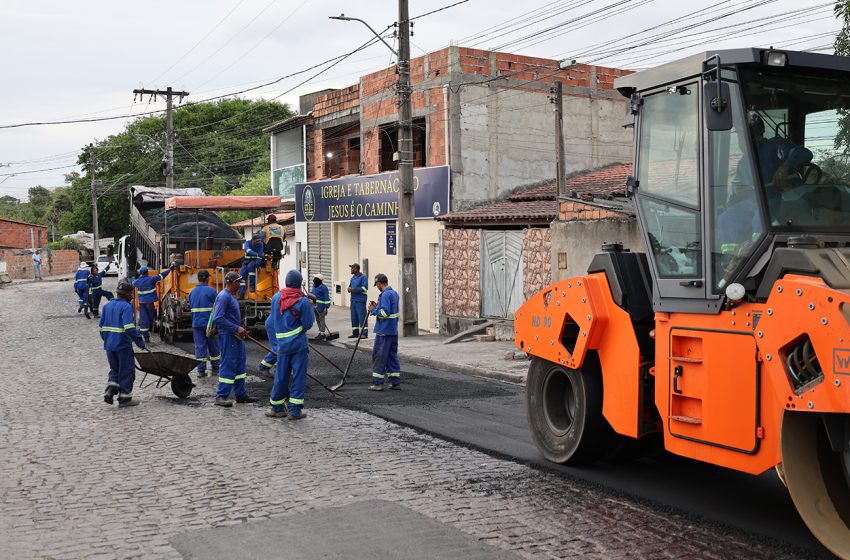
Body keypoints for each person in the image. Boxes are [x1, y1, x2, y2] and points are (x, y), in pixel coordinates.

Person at [266, 269, 314, 419]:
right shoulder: (303, 301)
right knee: (298, 377)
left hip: (282, 346)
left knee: (281, 376)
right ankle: (294, 411)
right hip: (298, 345)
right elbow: (308, 324)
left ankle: (276, 408)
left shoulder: (276, 298)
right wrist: (310, 308)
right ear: (299, 284)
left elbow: (272, 320)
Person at [213, 271, 259, 407]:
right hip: (228, 336)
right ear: (232, 282)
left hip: (236, 336)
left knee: (239, 364)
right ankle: (221, 396)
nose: (240, 284)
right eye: (238, 282)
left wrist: (239, 329)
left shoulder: (232, 296)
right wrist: (236, 328)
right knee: (228, 364)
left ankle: (240, 394)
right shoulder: (223, 297)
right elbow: (219, 318)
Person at [100, 280, 146, 408]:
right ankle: (125, 399)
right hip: (123, 346)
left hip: (109, 346)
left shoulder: (107, 306)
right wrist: (139, 341)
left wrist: (108, 340)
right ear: (126, 294)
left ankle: (110, 390)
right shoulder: (126, 306)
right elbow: (129, 327)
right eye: (131, 293)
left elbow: (101, 328)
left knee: (114, 370)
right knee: (126, 371)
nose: (132, 296)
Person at [368, 273, 400, 391]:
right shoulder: (394, 293)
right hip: (393, 331)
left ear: (379, 284)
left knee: (379, 356)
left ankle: (377, 383)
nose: (377, 287)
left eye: (376, 285)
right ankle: (395, 382)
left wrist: (374, 310)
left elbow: (384, 313)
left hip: (384, 331)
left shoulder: (385, 295)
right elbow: (390, 310)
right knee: (392, 356)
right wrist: (378, 306)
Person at [188, 270, 220, 378]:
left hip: (196, 323)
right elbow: (217, 307)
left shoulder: (192, 292)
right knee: (213, 345)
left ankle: (201, 370)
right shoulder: (212, 291)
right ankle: (215, 366)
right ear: (207, 278)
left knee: (200, 346)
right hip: (209, 324)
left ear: (198, 279)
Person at [132, 265, 172, 342]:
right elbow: (161, 276)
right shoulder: (151, 279)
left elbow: (133, 282)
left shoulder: (138, 281)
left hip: (142, 303)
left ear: (141, 273)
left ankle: (145, 336)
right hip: (150, 302)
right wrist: (170, 269)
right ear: (147, 272)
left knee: (144, 319)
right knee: (151, 317)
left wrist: (133, 277)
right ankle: (150, 326)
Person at [238, 234, 264, 298]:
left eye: (259, 241)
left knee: (250, 267)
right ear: (253, 240)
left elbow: (260, 255)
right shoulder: (247, 243)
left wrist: (257, 263)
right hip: (246, 261)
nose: (258, 242)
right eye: (257, 241)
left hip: (254, 261)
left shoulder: (260, 244)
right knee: (242, 275)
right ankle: (241, 293)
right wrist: (257, 254)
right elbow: (248, 251)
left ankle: (252, 286)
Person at [347, 263, 368, 338]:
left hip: (360, 301)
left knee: (362, 317)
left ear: (356, 268)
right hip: (353, 301)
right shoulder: (352, 278)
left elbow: (365, 288)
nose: (351, 270)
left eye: (352, 268)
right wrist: (349, 289)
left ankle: (364, 333)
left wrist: (354, 289)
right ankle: (355, 332)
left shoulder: (363, 277)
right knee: (354, 317)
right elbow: (350, 286)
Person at [311, 273, 331, 340]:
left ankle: (322, 333)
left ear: (318, 280)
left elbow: (326, 298)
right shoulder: (314, 286)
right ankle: (320, 331)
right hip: (315, 307)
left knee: (322, 320)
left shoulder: (324, 288)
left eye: (315, 278)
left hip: (321, 307)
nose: (313, 280)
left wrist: (326, 307)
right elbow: (312, 294)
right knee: (318, 320)